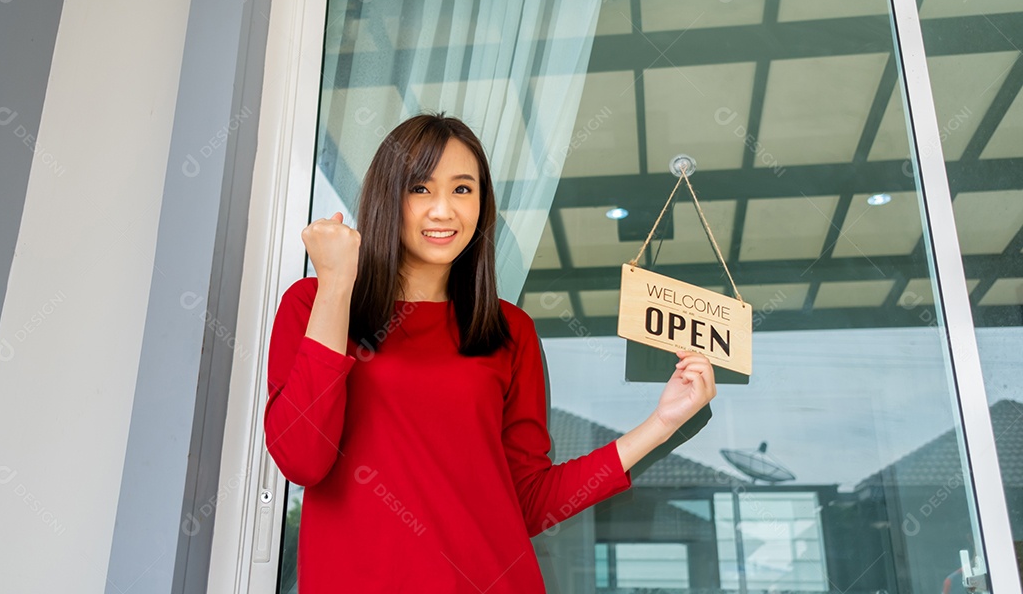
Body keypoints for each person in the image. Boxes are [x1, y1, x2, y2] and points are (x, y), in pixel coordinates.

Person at [264, 112, 717, 592]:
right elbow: (302, 459)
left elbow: (529, 501)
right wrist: (336, 283)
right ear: (386, 197)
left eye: (463, 189)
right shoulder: (312, 304)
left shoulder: (508, 330)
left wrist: (662, 423)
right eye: (420, 188)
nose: (444, 210)